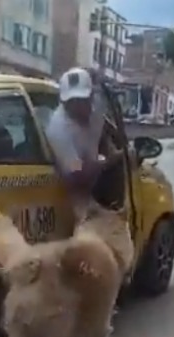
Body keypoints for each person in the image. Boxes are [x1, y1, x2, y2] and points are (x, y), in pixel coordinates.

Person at [44, 67, 122, 221]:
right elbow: (77, 171)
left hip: (95, 177)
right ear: (63, 102)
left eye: (82, 100)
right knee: (87, 232)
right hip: (73, 191)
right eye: (71, 101)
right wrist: (107, 161)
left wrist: (112, 147)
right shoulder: (58, 131)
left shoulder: (99, 105)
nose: (77, 105)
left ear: (91, 97)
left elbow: (103, 128)